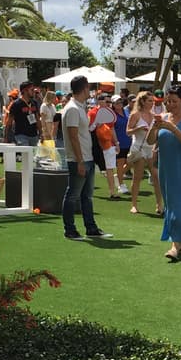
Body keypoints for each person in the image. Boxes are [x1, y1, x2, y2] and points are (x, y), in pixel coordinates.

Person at [148, 85, 181, 261]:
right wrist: (154, 127)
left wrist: (173, 129)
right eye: (168, 101)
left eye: (174, 101)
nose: (170, 104)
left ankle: (175, 245)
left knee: (180, 205)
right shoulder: (163, 117)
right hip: (166, 169)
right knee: (171, 205)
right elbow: (150, 140)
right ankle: (179, 241)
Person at [60, 75, 112, 241]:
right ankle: (70, 229)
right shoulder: (73, 108)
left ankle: (90, 227)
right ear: (84, 88)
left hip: (85, 157)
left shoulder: (78, 107)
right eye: (88, 87)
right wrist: (80, 160)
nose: (89, 90)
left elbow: (80, 134)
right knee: (73, 195)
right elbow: (73, 136)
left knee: (86, 196)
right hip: (78, 159)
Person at [125, 90, 160, 215]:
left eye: (153, 101)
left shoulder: (154, 114)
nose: (152, 103)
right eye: (150, 101)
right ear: (143, 101)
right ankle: (134, 204)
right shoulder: (135, 114)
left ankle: (159, 205)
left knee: (156, 177)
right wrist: (139, 128)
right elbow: (128, 132)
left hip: (150, 148)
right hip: (139, 148)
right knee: (137, 177)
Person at [89, 94, 122, 199]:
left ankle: (112, 192)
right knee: (90, 167)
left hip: (107, 144)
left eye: (109, 102)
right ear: (99, 101)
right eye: (106, 102)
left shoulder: (110, 113)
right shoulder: (92, 112)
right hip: (94, 144)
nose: (108, 104)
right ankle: (87, 190)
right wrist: (95, 125)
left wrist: (116, 143)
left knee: (110, 168)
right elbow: (88, 129)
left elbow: (112, 129)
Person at [9, 81, 40, 147]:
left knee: (33, 156)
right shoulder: (16, 104)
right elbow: (9, 122)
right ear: (25, 90)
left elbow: (37, 118)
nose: (33, 92)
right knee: (25, 155)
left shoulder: (34, 102)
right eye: (31, 90)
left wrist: (41, 132)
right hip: (21, 135)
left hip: (34, 135)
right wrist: (6, 137)